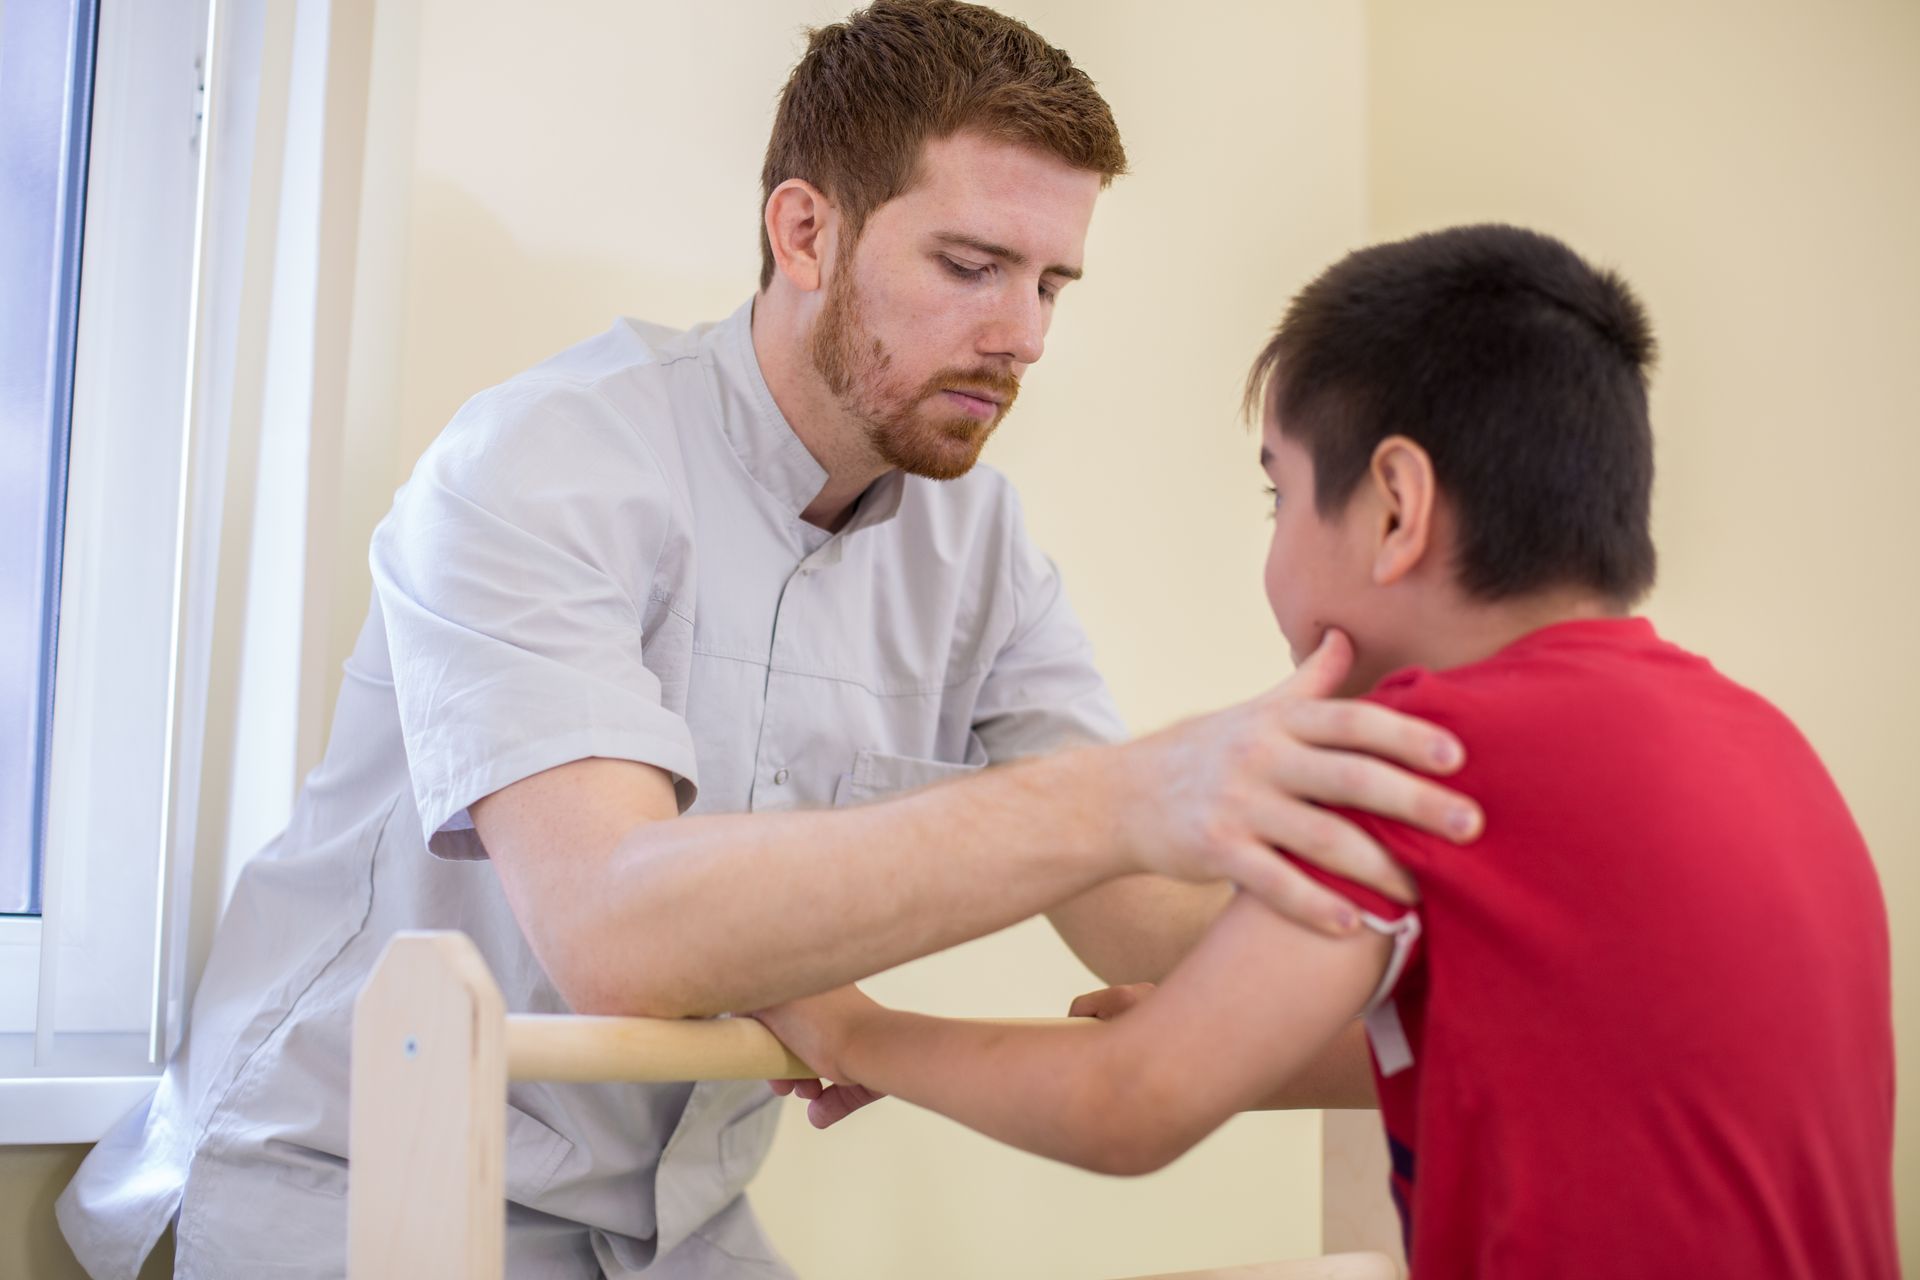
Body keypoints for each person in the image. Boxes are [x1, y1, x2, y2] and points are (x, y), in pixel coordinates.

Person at [57, 4, 1484, 1277]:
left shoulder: (978, 547)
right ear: (804, 232)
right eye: (976, 265)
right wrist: (1127, 792)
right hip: (353, 1180)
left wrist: (1445, 920)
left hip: (679, 1230)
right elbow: (619, 929)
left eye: (1053, 284)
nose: (1025, 336)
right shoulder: (545, 463)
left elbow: (1134, 922)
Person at [755, 224, 1900, 1278]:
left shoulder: (1424, 752)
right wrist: (1217, 1026)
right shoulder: (1762, 743)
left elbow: (1128, 1104)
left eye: (1280, 497)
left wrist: (859, 1028)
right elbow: (1536, 1055)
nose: (1274, 558)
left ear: (1396, 505)